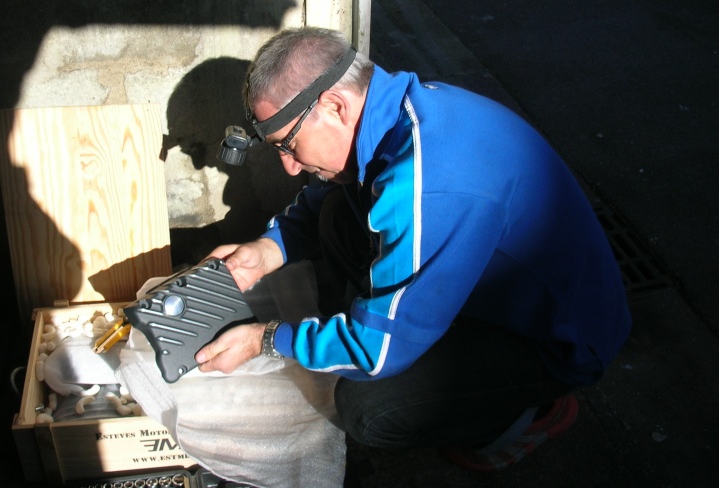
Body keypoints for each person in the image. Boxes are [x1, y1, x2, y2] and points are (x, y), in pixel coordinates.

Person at [194, 26, 632, 470]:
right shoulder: (399, 113)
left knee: (369, 407)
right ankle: (402, 321)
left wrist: (265, 338)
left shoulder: (430, 186)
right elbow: (326, 197)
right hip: (498, 285)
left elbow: (374, 354)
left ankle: (529, 413)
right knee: (336, 215)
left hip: (555, 338)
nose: (289, 167)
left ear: (334, 105)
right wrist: (268, 250)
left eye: (288, 145)